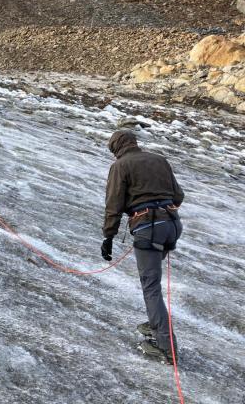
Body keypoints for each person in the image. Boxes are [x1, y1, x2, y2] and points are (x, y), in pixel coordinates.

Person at [101, 130, 184, 364]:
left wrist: (108, 236)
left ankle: (166, 347)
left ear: (116, 148)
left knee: (151, 286)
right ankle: (156, 321)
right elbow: (179, 195)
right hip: (172, 224)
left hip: (149, 227)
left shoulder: (120, 166)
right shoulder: (159, 159)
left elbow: (113, 204)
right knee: (153, 283)